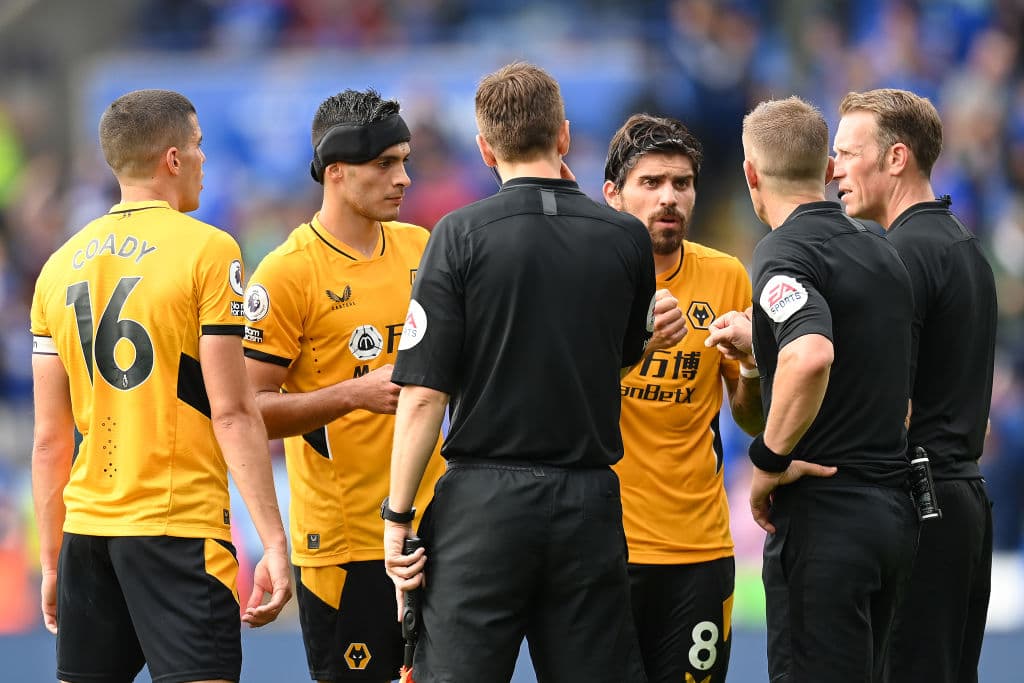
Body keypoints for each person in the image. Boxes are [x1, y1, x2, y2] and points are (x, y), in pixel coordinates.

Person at [382, 62, 687, 683]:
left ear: (484, 148)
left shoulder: (458, 234)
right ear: (565, 136)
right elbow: (625, 353)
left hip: (483, 506)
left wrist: (398, 517)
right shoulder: (625, 238)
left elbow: (423, 395)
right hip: (587, 504)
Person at [29, 89, 291, 683]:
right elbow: (232, 411)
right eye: (198, 145)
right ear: (173, 159)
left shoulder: (57, 266)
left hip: (86, 535)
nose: (203, 158)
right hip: (177, 527)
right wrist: (273, 542)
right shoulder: (209, 250)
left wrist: (51, 563)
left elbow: (49, 440)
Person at [706, 96, 919, 682]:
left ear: (751, 173)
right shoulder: (880, 248)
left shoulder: (783, 252)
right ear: (827, 169)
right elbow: (879, 377)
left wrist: (767, 461)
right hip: (891, 516)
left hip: (826, 521)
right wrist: (762, 349)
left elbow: (811, 353)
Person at [241, 88, 445, 683]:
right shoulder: (287, 272)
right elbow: (247, 410)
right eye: (384, 164)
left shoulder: (422, 247)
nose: (403, 178)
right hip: (345, 545)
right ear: (336, 171)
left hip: (436, 530)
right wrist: (352, 395)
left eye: (404, 161)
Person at [833, 88, 998, 683]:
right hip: (964, 501)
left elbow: (885, 403)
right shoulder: (965, 247)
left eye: (847, 153)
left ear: (896, 157)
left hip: (920, 507)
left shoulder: (898, 255)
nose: (833, 170)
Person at [601, 113, 764, 683]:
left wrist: (750, 364)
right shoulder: (585, 278)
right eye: (651, 183)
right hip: (603, 551)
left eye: (682, 183)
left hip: (698, 550)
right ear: (613, 194)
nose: (669, 197)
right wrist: (635, 344)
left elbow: (750, 417)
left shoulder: (725, 277)